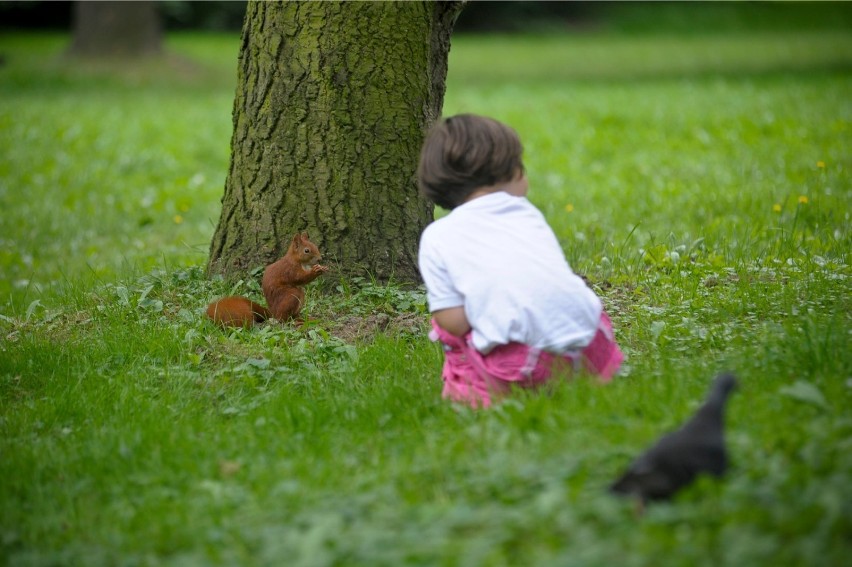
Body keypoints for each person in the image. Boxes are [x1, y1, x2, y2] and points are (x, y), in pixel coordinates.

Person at [417, 114, 623, 408]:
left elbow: (455, 322)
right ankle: (584, 384)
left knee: (444, 329)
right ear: (509, 172)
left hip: (521, 363)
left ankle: (475, 394)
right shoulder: (528, 215)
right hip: (591, 345)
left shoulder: (438, 236)